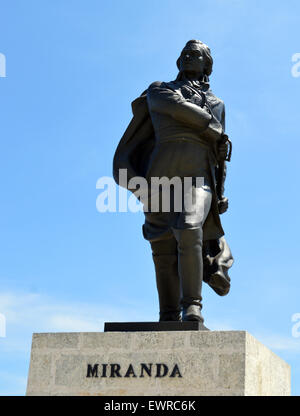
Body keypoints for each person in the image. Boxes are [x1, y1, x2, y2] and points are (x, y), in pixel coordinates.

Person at [113, 40, 233, 325]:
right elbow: (174, 108)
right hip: (159, 177)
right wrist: (210, 126)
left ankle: (192, 306)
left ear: (207, 65)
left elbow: (220, 155)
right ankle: (167, 314)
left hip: (198, 176)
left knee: (190, 229)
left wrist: (220, 193)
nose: (190, 57)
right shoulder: (160, 89)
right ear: (179, 62)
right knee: (162, 242)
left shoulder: (217, 103)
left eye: (197, 55)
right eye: (185, 54)